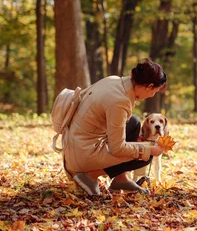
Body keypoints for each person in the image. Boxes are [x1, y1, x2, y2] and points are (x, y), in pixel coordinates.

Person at [63, 58, 167, 195]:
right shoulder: (120, 101)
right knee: (145, 156)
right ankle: (89, 176)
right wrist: (149, 149)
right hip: (81, 155)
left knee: (134, 122)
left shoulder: (114, 81)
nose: (152, 95)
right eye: (155, 91)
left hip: (74, 145)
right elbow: (117, 148)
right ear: (149, 86)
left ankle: (120, 179)